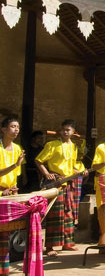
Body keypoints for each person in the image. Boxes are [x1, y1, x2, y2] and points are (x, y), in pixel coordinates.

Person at [35, 119, 88, 256]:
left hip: (69, 184)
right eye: (63, 129)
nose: (65, 132)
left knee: (68, 213)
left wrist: (81, 172)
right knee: (55, 214)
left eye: (68, 130)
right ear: (60, 130)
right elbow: (39, 160)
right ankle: (50, 247)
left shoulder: (74, 147)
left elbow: (72, 168)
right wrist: (47, 174)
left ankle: (68, 243)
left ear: (73, 132)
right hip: (56, 183)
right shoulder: (52, 145)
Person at [0, 117, 25, 275]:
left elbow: (17, 174)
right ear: (3, 129)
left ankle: (4, 267)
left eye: (17, 127)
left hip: (10, 193)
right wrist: (14, 165)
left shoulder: (17, 148)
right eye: (12, 126)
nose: (16, 130)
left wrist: (13, 189)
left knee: (7, 232)